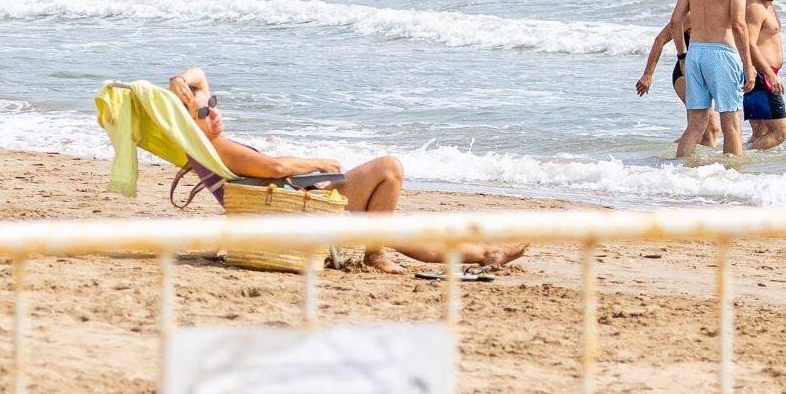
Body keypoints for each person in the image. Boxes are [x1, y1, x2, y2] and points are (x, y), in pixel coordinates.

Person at [167, 67, 525, 274]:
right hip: (296, 209)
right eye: (202, 112)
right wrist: (316, 163)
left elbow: (198, 74)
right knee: (389, 168)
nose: (212, 111)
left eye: (212, 104)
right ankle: (375, 255)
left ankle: (484, 254)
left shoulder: (203, 142)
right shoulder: (215, 146)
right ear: (189, 125)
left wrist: (179, 81)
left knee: (394, 227)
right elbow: (273, 166)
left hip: (290, 204)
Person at [661, 0, 770, 158]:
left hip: (696, 53)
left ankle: (677, 172)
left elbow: (675, 21)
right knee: (731, 124)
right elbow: (739, 25)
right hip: (721, 55)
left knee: (695, 125)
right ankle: (731, 180)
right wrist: (748, 66)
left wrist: (682, 55)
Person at [635, 0, 719, 151]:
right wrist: (648, 75)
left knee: (701, 130)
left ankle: (673, 159)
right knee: (709, 129)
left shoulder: (715, 12)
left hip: (703, 74)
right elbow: (660, 40)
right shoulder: (690, 15)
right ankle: (682, 165)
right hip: (685, 75)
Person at [742, 0, 786, 151]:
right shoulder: (755, 8)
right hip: (761, 76)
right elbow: (749, 44)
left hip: (761, 74)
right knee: (780, 133)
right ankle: (735, 156)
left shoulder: (767, 6)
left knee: (760, 133)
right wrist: (770, 74)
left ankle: (740, 169)